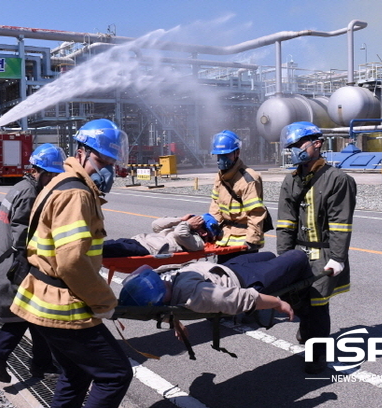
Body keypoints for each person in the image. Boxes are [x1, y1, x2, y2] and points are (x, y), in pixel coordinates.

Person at [10, 119, 133, 408]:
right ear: (82, 152)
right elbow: (72, 263)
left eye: (112, 162)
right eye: (104, 160)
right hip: (63, 304)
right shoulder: (76, 193)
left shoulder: (61, 183)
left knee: (75, 374)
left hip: (43, 298)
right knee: (115, 374)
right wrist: (105, 302)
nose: (108, 170)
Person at [276, 121, 357, 374]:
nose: (295, 150)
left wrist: (337, 257)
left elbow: (340, 224)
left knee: (319, 305)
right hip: (298, 253)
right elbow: (285, 222)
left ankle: (317, 356)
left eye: (299, 144)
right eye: (292, 146)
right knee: (297, 299)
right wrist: (284, 257)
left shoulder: (337, 180)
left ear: (317, 144)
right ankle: (308, 329)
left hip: (323, 255)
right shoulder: (291, 181)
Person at [0, 143, 66, 383]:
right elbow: (22, 237)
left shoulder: (20, 186)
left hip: (8, 263)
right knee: (23, 316)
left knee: (35, 316)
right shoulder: (30, 193)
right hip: (16, 267)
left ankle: (41, 363)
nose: (54, 182)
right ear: (46, 172)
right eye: (54, 176)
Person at [119, 249, 314, 323]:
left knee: (269, 255)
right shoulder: (195, 295)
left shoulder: (166, 291)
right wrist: (277, 303)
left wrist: (174, 320)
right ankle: (301, 299)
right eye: (159, 283)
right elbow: (239, 298)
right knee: (297, 257)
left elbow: (163, 310)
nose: (163, 279)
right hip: (246, 280)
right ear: (161, 296)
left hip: (226, 268)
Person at [208, 130, 268, 252]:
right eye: (219, 156)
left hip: (243, 241)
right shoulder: (219, 177)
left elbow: (256, 213)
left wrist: (251, 241)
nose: (222, 159)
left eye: (226, 155)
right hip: (224, 239)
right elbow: (215, 205)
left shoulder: (248, 179)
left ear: (237, 153)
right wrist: (211, 229)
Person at [102, 213, 221, 258]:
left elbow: (179, 233)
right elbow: (156, 225)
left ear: (203, 232)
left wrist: (187, 224)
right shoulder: (184, 227)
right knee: (104, 244)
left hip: (146, 249)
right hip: (138, 240)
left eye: (198, 222)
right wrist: (180, 219)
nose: (193, 222)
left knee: (103, 250)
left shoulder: (197, 243)